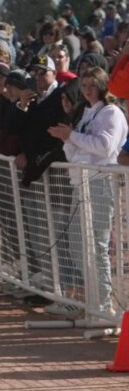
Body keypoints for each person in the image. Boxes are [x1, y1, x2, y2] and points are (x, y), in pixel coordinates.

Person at [47, 67, 128, 317]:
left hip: (100, 182)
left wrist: (72, 136)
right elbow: (75, 151)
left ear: (103, 86)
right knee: (76, 243)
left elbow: (105, 147)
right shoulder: (85, 114)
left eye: (93, 85)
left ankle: (103, 305)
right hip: (79, 181)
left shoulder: (111, 112)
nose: (88, 89)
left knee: (97, 244)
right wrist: (66, 139)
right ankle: (93, 299)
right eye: (84, 85)